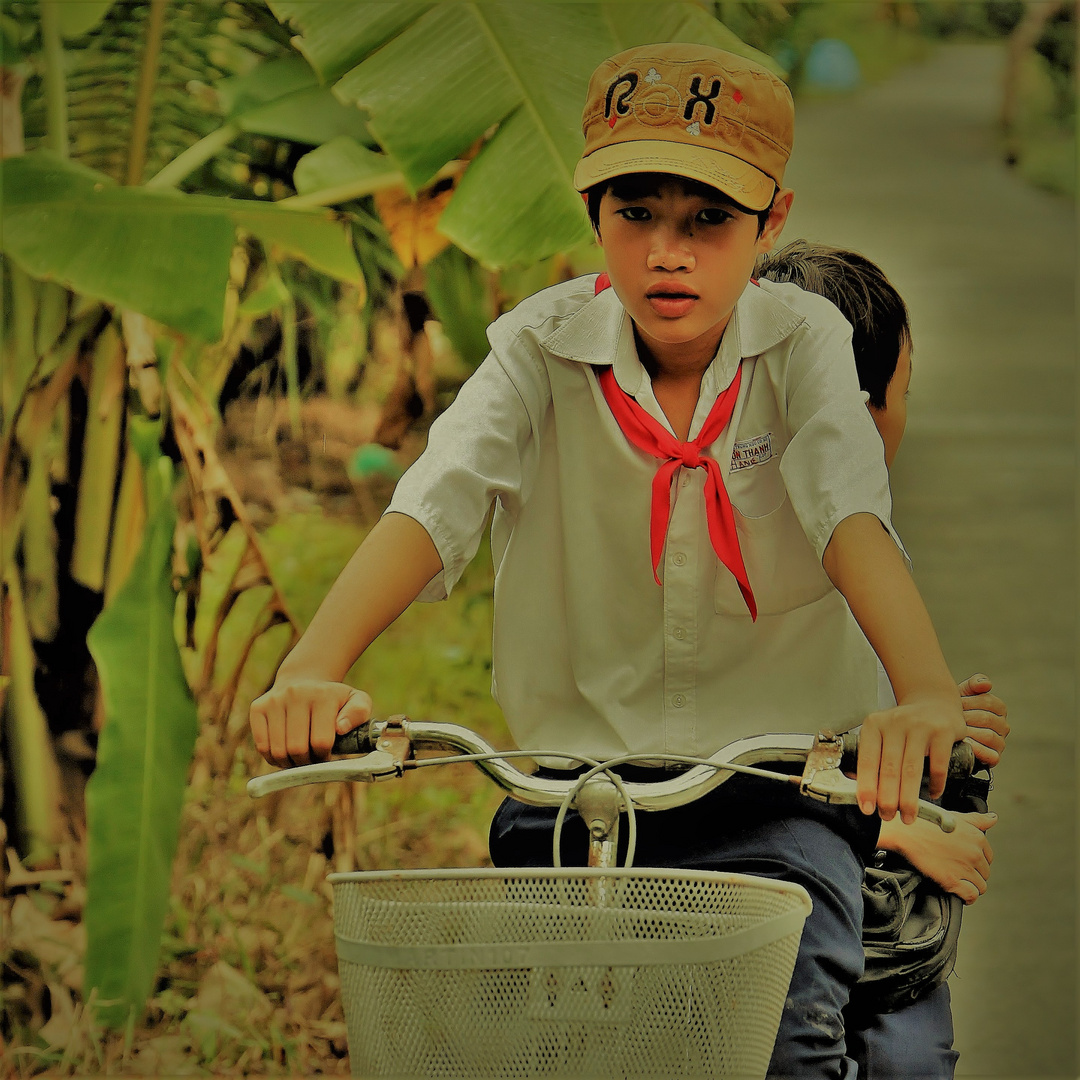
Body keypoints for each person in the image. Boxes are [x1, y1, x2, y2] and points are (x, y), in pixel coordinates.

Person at [250, 44, 972, 1077]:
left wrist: (925, 690)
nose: (666, 254)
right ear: (593, 213)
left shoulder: (803, 345)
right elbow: (438, 499)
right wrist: (310, 668)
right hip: (568, 797)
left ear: (771, 221)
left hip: (775, 798)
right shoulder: (536, 354)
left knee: (788, 1034)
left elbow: (847, 507)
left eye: (707, 221)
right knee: (527, 1049)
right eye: (637, 214)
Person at [757, 239, 1011, 1078]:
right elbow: (717, 734)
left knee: (910, 1056)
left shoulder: (869, 557)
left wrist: (943, 738)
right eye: (902, 392)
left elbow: (868, 717)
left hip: (844, 886)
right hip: (776, 875)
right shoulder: (726, 552)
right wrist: (900, 828)